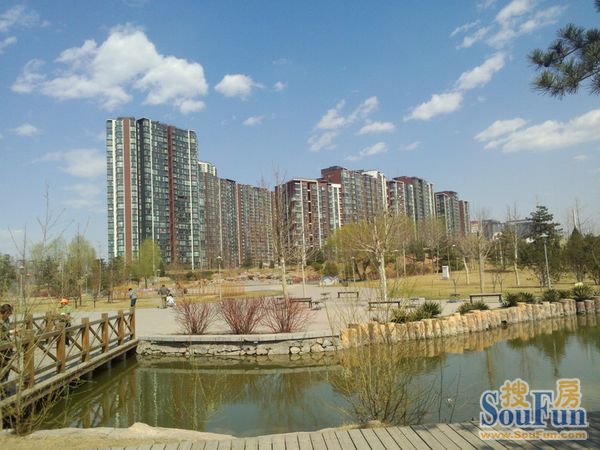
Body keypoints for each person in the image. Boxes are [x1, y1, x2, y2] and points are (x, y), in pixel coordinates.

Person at [0, 303, 13, 391]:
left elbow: (8, 329)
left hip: (7, 346)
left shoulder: (7, 319)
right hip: (2, 346)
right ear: (5, 313)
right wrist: (11, 332)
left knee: (7, 366)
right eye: (9, 314)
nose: (9, 316)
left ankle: (4, 386)